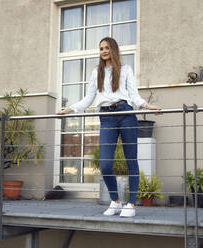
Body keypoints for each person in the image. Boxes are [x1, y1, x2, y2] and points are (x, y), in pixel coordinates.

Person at [57, 37, 161, 217]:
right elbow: (89, 98)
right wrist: (69, 109)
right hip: (106, 117)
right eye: (101, 48)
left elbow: (134, 96)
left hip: (126, 114)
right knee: (105, 164)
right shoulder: (96, 72)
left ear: (113, 49)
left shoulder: (126, 69)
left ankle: (131, 204)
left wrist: (148, 106)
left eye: (106, 47)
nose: (103, 51)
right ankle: (116, 201)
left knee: (131, 161)